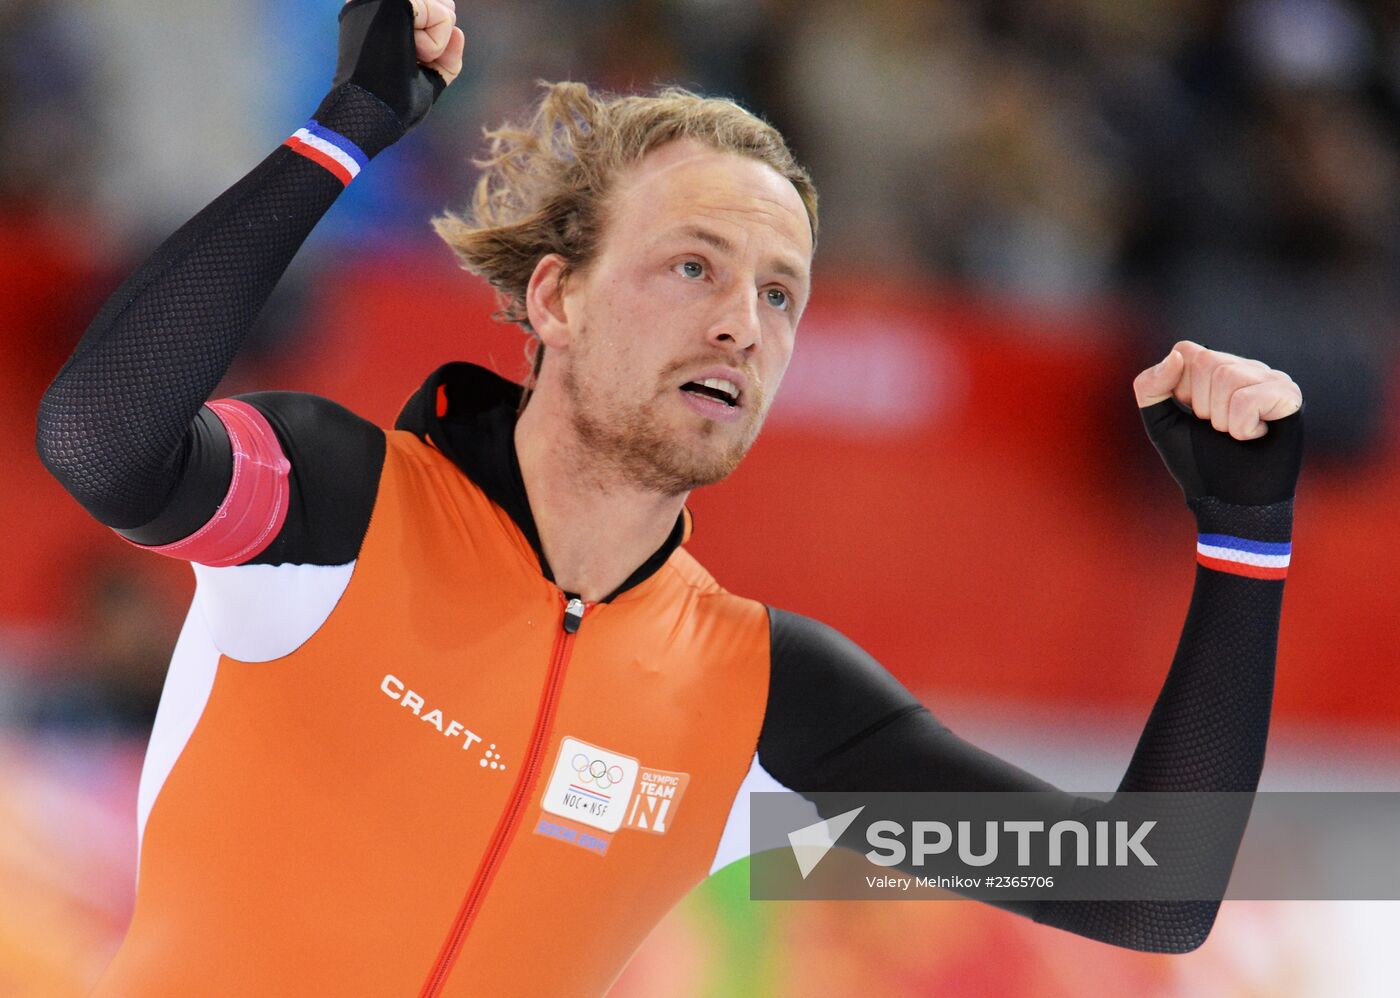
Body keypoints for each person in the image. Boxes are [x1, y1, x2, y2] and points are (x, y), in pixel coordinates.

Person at [35, 1, 1304, 994]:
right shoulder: (336, 502)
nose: (738, 325)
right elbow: (102, 440)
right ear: (554, 298)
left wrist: (1242, 541)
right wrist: (343, 129)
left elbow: (1146, 890)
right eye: (692, 264)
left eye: (777, 294)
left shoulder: (759, 686)